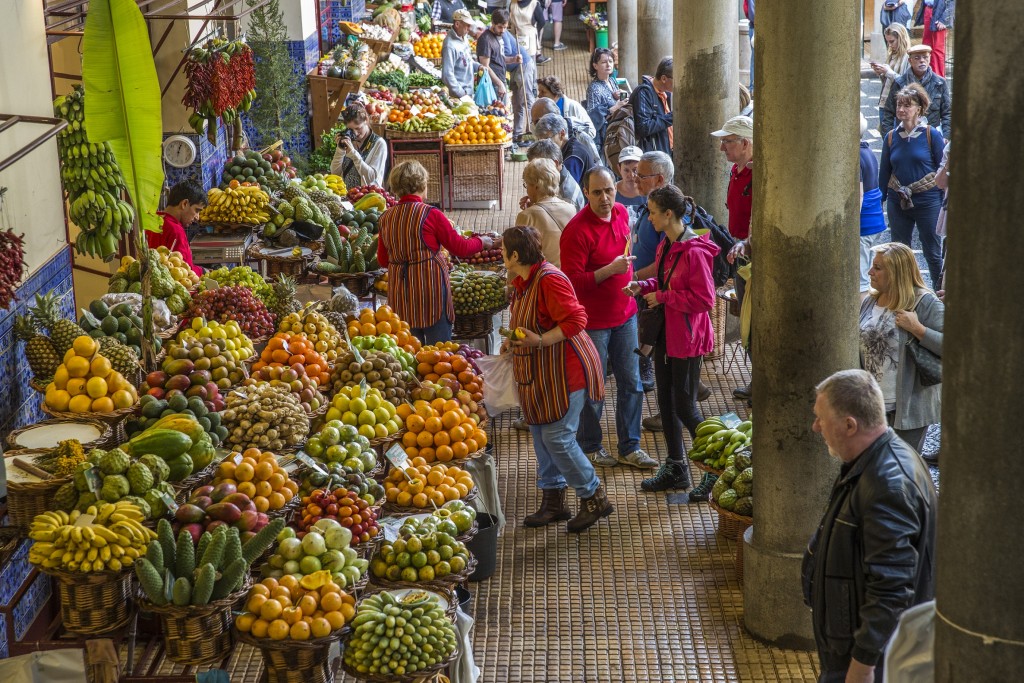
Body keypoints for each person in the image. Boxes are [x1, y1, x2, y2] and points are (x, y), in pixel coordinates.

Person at [803, 369, 937, 682]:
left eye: (822, 418)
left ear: (849, 425)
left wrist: (862, 666)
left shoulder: (888, 485)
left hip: (864, 662)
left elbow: (890, 588)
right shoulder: (872, 462)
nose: (816, 426)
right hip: (849, 650)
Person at [503, 225, 614, 532]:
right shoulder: (523, 282)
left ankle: (594, 496)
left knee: (557, 437)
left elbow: (578, 320)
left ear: (515, 255)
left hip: (567, 372)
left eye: (503, 251)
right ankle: (554, 502)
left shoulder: (549, 280)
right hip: (541, 374)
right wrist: (512, 340)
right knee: (541, 434)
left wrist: (538, 341)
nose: (501, 255)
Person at [623, 185, 718, 495]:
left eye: (652, 212)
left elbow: (705, 299)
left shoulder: (693, 249)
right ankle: (677, 467)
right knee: (665, 402)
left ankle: (713, 470)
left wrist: (661, 294)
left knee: (686, 406)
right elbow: (664, 280)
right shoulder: (668, 244)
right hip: (667, 333)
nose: (648, 218)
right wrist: (644, 285)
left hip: (688, 339)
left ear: (668, 214)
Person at [560, 167, 656, 470]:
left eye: (608, 191)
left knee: (633, 382)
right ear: (586, 193)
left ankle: (630, 446)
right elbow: (571, 282)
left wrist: (632, 281)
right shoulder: (576, 231)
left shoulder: (620, 214)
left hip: (626, 316)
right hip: (593, 324)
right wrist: (608, 272)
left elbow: (625, 255)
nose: (605, 198)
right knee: (594, 387)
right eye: (597, 192)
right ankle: (590, 445)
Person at [377, 161, 498, 344]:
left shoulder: (386, 217)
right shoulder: (431, 214)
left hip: (400, 290)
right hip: (430, 288)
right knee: (438, 351)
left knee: (408, 347)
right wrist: (482, 242)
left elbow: (383, 260)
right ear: (423, 185)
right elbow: (460, 248)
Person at [859, 242, 944, 456]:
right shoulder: (870, 301)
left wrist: (918, 329)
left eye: (878, 268)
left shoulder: (924, 302)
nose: (870, 272)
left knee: (899, 473)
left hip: (907, 410)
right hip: (871, 405)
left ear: (897, 272)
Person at [879, 84, 946, 288]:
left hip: (928, 201)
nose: (901, 109)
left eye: (907, 106)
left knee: (932, 253)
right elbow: (884, 172)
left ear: (919, 108)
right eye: (899, 105)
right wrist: (879, 201)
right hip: (897, 199)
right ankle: (903, 296)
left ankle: (939, 297)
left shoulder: (931, 135)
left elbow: (942, 166)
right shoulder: (891, 137)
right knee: (898, 252)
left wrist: (945, 201)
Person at [711, 115, 754, 401]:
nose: (722, 147)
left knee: (755, 317)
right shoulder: (737, 171)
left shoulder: (758, 174)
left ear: (746, 143)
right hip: (740, 253)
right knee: (748, 318)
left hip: (752, 255)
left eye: (727, 142)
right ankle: (755, 378)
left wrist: (747, 244)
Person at [880, 44, 951, 139]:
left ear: (929, 58)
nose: (922, 60)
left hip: (931, 139)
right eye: (917, 58)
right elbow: (888, 113)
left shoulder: (940, 83)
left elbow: (948, 113)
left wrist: (945, 138)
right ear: (910, 61)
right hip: (904, 138)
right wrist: (889, 139)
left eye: (925, 57)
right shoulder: (899, 83)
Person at [516, 159, 576, 267]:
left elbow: (520, 260)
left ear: (536, 186)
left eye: (527, 184)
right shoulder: (571, 209)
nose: (527, 189)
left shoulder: (526, 216)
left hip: (544, 278)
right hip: (567, 276)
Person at [442, 11, 504, 100]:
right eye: (467, 25)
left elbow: (468, 60)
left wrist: (479, 67)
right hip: (458, 96)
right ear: (457, 24)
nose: (469, 28)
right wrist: (462, 94)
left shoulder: (464, 38)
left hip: (467, 93)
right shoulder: (450, 45)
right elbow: (447, 75)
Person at [149, 182, 205, 276]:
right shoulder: (176, 230)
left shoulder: (152, 221)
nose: (197, 217)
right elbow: (185, 271)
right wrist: (203, 271)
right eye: (197, 210)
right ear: (184, 203)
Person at [329, 103, 387, 189]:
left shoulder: (379, 144)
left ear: (366, 120)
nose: (355, 133)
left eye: (358, 128)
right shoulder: (348, 139)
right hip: (347, 196)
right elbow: (335, 173)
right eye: (351, 129)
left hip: (367, 196)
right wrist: (340, 150)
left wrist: (354, 155)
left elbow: (371, 178)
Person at [859, 114, 886, 301]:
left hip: (864, 225)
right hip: (875, 221)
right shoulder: (866, 150)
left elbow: (858, 195)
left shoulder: (854, 155)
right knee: (869, 278)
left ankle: (862, 326)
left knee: (860, 282)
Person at [534, 113, 599, 187]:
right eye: (540, 141)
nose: (544, 145)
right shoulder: (568, 146)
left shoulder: (573, 157)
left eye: (547, 139)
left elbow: (564, 190)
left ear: (562, 134)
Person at [586, 48, 627, 157]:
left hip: (617, 130)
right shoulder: (594, 88)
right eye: (604, 62)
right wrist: (615, 106)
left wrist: (616, 96)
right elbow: (592, 119)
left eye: (610, 61)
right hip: (605, 136)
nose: (608, 65)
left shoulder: (612, 81)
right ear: (595, 66)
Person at [629, 57, 673, 153]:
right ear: (664, 79)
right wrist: (671, 117)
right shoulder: (644, 93)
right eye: (676, 78)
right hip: (654, 153)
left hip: (667, 149)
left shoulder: (667, 93)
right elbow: (643, 127)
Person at [526, 139, 585, 211]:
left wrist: (534, 209)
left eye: (536, 166)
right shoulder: (551, 182)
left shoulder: (566, 197)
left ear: (555, 164)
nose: (532, 171)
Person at [870, 23, 910, 125]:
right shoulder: (892, 55)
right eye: (888, 42)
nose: (890, 45)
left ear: (901, 39)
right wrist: (881, 73)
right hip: (885, 102)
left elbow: (907, 84)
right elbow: (887, 82)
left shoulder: (909, 57)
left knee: (895, 138)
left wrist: (889, 73)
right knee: (886, 138)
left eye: (892, 41)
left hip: (898, 105)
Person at [502, 28, 537, 145]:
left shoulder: (503, 34)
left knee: (527, 100)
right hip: (514, 69)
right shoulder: (491, 35)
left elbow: (506, 52)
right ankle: (517, 134)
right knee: (516, 102)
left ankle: (532, 133)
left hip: (523, 66)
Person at [476, 10, 512, 104]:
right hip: (492, 85)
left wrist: (513, 59)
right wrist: (499, 84)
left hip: (500, 81)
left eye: (505, 28)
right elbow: (485, 66)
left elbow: (498, 58)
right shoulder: (485, 40)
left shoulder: (497, 36)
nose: (503, 31)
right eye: (500, 27)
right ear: (492, 23)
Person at [915, 0, 954, 78]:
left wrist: (944, 19)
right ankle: (928, 77)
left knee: (937, 50)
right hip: (928, 10)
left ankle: (938, 80)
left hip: (939, 14)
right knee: (926, 47)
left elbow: (952, 2)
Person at [509, 0, 549, 67]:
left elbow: (541, 21)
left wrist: (534, 31)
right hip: (515, 37)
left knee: (530, 63)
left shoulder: (534, 3)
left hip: (530, 39)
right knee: (516, 61)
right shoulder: (512, 3)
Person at [613, 145, 645, 213]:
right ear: (619, 168)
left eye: (635, 170)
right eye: (626, 170)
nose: (631, 175)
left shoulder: (649, 192)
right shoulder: (611, 191)